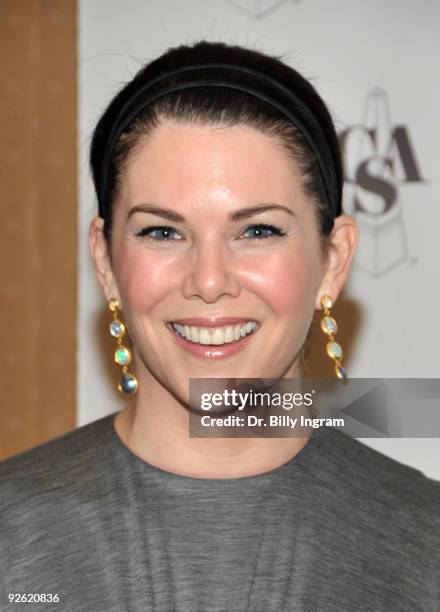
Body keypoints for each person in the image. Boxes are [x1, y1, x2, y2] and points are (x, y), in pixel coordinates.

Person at [1, 40, 439, 612]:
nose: (209, 281)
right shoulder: (13, 536)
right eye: (162, 231)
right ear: (106, 263)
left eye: (258, 231)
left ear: (333, 260)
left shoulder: (424, 543)